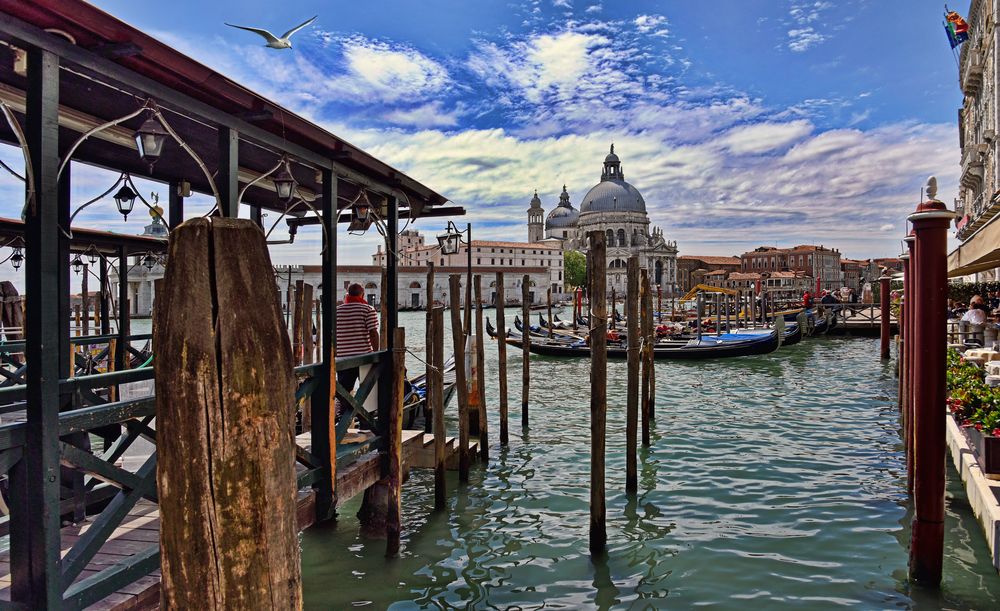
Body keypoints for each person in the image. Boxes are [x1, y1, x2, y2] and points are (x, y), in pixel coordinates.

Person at [336, 283, 380, 396]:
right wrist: (376, 354)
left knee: (343, 392)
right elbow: (373, 333)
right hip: (364, 357)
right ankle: (365, 413)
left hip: (342, 359)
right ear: (363, 295)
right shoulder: (368, 309)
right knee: (368, 392)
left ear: (347, 294)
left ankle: (345, 411)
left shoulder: (336, 311)